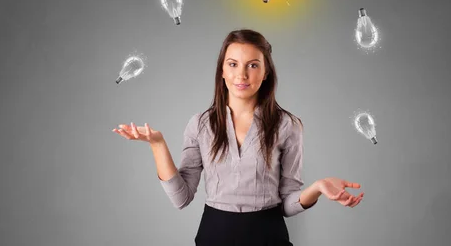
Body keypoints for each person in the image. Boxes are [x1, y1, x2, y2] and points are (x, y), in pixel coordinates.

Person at [112, 29, 364, 245]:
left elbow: (287, 206)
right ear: (222, 70)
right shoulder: (200, 124)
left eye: (253, 65)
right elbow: (181, 198)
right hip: (214, 235)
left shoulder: (288, 125)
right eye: (232, 64)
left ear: (265, 72)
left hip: (268, 235)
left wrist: (318, 188)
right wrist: (157, 144)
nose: (241, 75)